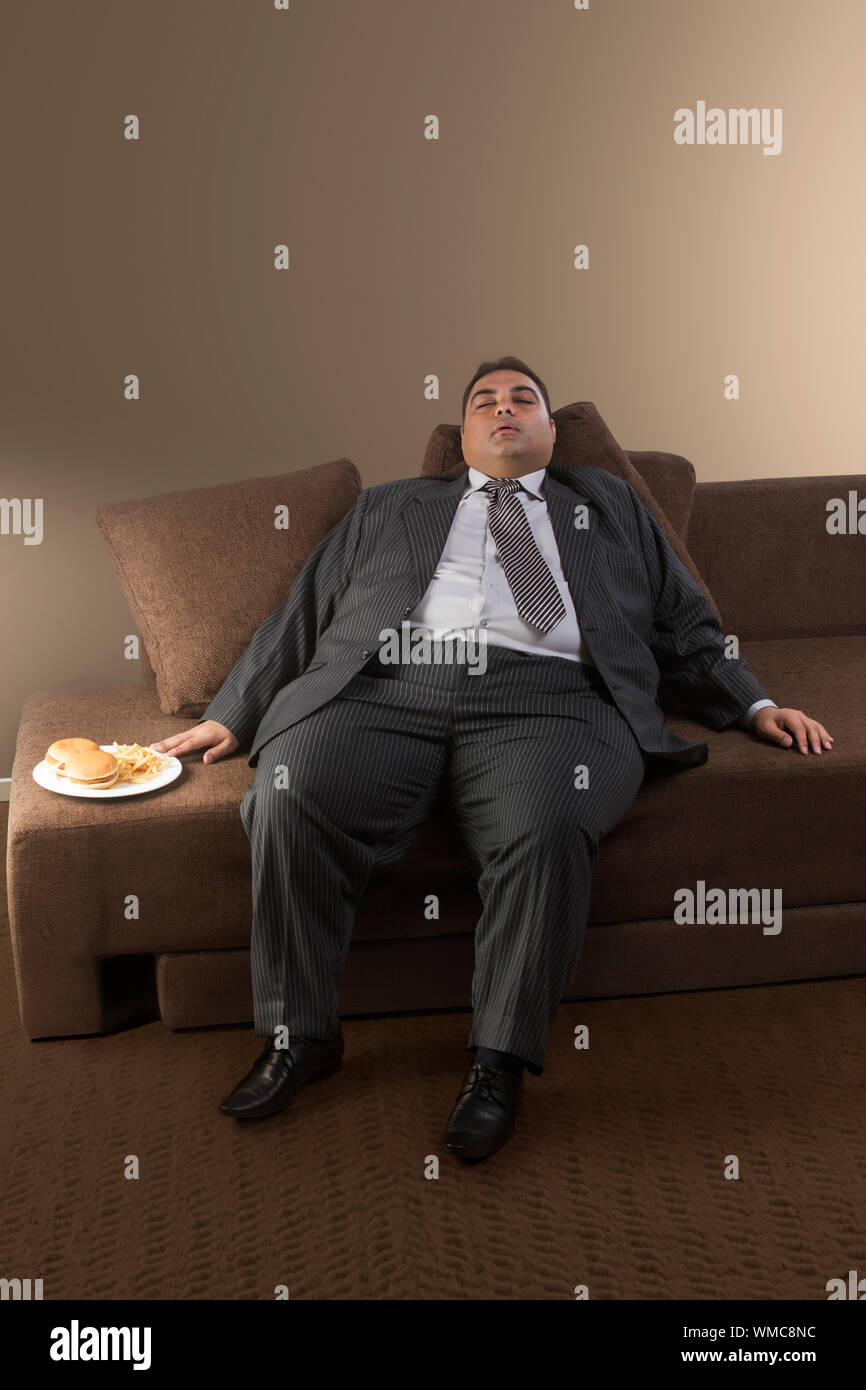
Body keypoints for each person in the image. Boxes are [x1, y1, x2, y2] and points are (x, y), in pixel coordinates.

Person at [150, 356, 833, 1161]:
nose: (504, 409)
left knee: (547, 824)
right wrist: (234, 713)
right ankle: (300, 1037)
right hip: (384, 684)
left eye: (523, 400)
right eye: (485, 402)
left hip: (554, 700)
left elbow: (685, 622)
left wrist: (753, 703)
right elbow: (302, 611)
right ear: (462, 435)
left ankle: (498, 1062)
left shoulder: (608, 503)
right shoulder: (389, 506)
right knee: (287, 795)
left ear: (551, 430)